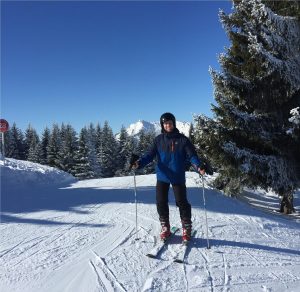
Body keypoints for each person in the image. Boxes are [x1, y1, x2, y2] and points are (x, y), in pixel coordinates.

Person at [131, 112, 206, 242]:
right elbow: (149, 155)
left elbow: (192, 156)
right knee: (161, 202)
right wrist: (138, 164)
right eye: (165, 123)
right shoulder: (158, 140)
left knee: (182, 202)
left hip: (177, 176)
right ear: (162, 125)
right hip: (162, 176)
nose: (168, 125)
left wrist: (199, 167)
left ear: (174, 123)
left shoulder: (183, 140)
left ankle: (186, 228)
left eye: (170, 123)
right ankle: (165, 227)